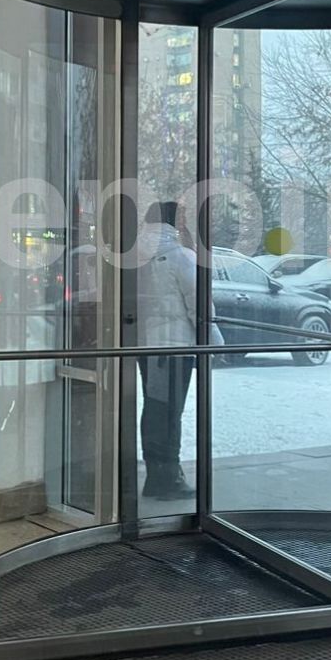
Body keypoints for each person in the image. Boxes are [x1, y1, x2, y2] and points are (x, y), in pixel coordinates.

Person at [137, 201, 197, 500]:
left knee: (154, 409)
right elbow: (198, 303)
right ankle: (168, 478)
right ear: (173, 222)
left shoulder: (135, 256)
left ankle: (156, 474)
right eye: (183, 217)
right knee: (170, 412)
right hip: (174, 347)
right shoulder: (180, 256)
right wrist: (213, 340)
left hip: (145, 345)